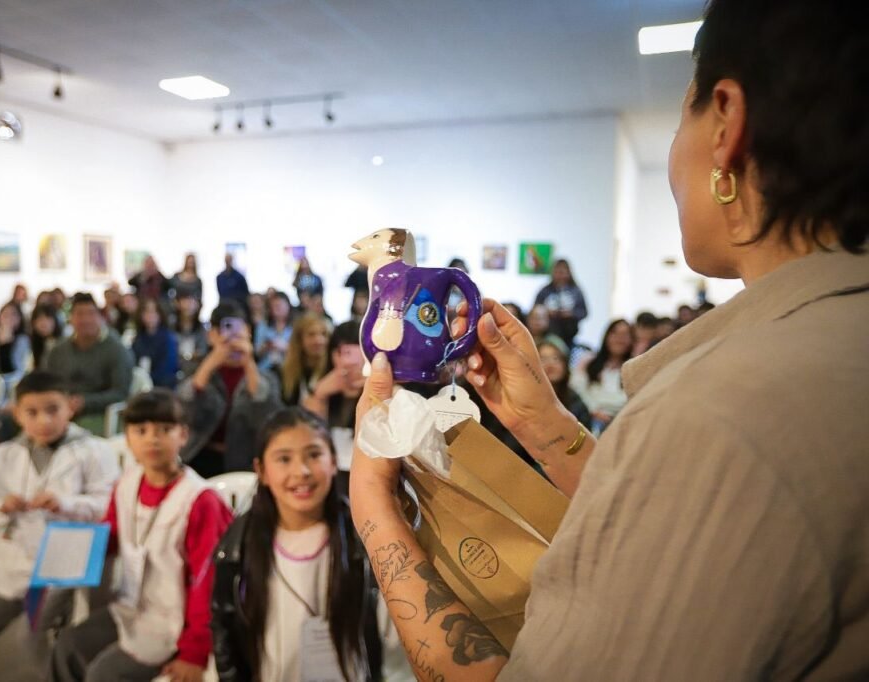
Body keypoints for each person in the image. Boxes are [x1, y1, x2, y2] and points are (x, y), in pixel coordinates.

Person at [348, 0, 869, 678]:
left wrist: (375, 509)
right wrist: (545, 426)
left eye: (682, 118)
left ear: (727, 125)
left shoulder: (726, 410)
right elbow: (669, 533)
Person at [0, 371, 119, 682]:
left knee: (33, 638)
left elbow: (108, 506)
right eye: (32, 412)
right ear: (16, 413)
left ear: (71, 406)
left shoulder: (95, 451)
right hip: (13, 565)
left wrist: (66, 503)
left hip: (60, 565)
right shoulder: (2, 455)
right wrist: (0, 508)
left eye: (53, 410)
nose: (44, 421)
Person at [211, 407, 410, 682]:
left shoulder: (362, 539)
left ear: (333, 462)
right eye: (284, 459)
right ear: (262, 471)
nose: (301, 471)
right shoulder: (238, 546)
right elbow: (224, 629)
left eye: (314, 455)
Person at [49, 389, 232, 682]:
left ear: (183, 435)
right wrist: (65, 551)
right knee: (67, 647)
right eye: (141, 430)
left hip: (177, 622)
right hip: (134, 605)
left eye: (164, 430)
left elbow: (209, 583)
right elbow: (111, 533)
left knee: (102, 674)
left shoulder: (200, 501)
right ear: (127, 438)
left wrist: (195, 651)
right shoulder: (128, 483)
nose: (152, 439)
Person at [177, 300, 281, 478]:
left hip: (247, 462)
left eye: (238, 328)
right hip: (199, 457)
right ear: (211, 335)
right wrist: (212, 362)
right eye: (224, 328)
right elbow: (185, 413)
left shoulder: (267, 376)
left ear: (248, 331)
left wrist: (248, 361)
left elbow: (267, 419)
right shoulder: (195, 369)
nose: (232, 335)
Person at [42, 293, 133, 436]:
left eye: (91, 313)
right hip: (59, 408)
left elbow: (120, 392)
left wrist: (85, 402)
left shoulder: (116, 350)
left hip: (99, 413)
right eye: (79, 314)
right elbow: (45, 381)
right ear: (71, 319)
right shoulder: (58, 350)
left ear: (100, 317)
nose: (85, 320)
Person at [301, 321, 364, 488]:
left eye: (353, 352)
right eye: (340, 352)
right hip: (329, 479)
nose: (347, 362)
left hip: (364, 478)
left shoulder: (384, 392)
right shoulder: (322, 387)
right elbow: (306, 438)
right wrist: (319, 395)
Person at [569, 319, 633, 434]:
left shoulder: (633, 367)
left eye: (625, 334)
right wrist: (593, 410)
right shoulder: (589, 361)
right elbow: (577, 389)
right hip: (590, 418)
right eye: (615, 333)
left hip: (623, 421)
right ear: (607, 336)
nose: (619, 339)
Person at [277, 313, 330, 406]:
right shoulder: (284, 371)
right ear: (299, 340)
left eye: (323, 334)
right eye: (311, 334)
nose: (319, 340)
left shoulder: (331, 369)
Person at [533, 258, 588, 347]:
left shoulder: (576, 291)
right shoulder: (544, 291)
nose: (560, 276)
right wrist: (546, 312)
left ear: (568, 273)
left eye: (562, 272)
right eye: (557, 272)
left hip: (569, 334)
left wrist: (571, 313)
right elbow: (535, 309)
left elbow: (584, 312)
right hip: (548, 334)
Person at [131, 298, 179, 389]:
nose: (150, 316)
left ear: (160, 314)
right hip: (141, 385)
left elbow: (167, 370)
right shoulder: (138, 339)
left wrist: (146, 380)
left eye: (153, 312)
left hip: (162, 387)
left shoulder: (169, 339)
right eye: (146, 312)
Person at [0, 301, 30, 379]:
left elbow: (16, 372)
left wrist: (5, 345)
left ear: (20, 319)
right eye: (6, 314)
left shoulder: (23, 340)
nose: (9, 318)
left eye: (14, 314)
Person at [254, 291, 292, 371]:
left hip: (289, 368)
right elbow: (257, 352)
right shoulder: (263, 325)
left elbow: (302, 351)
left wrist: (285, 347)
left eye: (280, 305)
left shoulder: (296, 325)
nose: (277, 309)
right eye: (274, 306)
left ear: (288, 306)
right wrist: (266, 346)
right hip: (266, 368)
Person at [172, 294, 208, 376]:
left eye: (192, 300)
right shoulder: (170, 325)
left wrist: (187, 356)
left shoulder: (202, 328)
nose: (188, 304)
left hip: (196, 369)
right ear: (177, 303)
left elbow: (202, 351)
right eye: (185, 300)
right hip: (174, 368)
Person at [29, 305, 63, 370]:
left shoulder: (62, 342)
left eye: (47, 318)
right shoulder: (36, 343)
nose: (44, 323)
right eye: (39, 319)